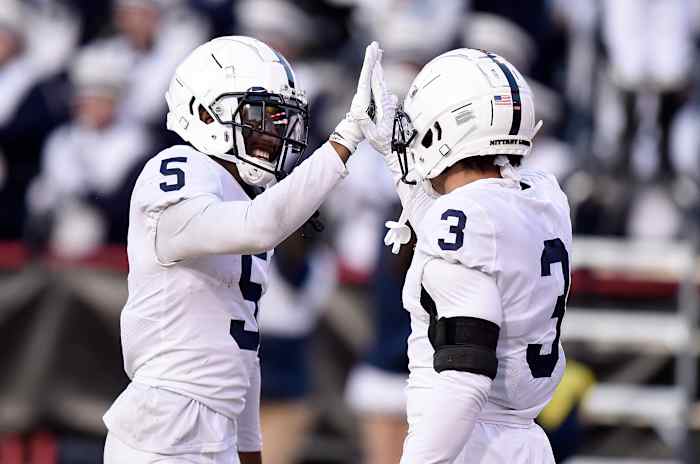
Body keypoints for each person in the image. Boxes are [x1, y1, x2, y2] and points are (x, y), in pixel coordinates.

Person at [102, 36, 382, 464]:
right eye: (259, 115)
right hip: (164, 424)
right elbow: (261, 227)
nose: (273, 132)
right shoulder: (179, 166)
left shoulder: (242, 197)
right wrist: (344, 140)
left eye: (279, 118)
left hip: (216, 429)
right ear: (202, 110)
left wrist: (250, 449)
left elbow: (240, 352)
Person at [360, 48, 572, 463]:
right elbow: (456, 222)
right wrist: (394, 159)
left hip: (470, 443)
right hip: (525, 441)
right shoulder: (541, 195)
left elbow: (464, 378)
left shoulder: (467, 218)